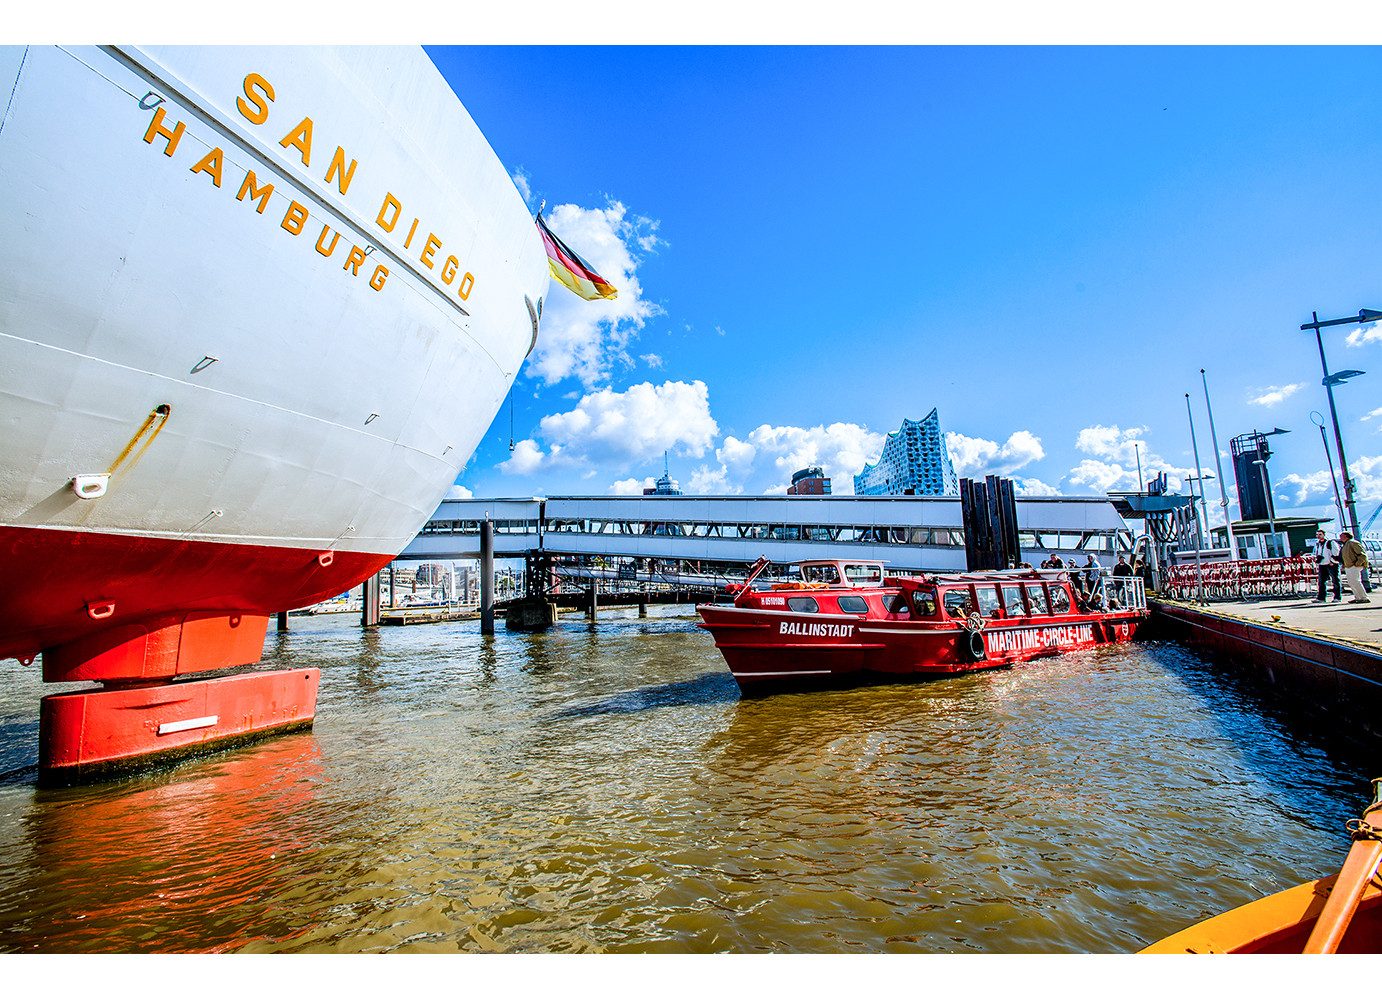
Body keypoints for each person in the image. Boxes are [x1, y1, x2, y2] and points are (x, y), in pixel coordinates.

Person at [1340, 531, 1372, 604]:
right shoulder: (1345, 544)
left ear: (1347, 536)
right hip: (1348, 566)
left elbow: (1362, 555)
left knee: (1356, 581)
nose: (1340, 538)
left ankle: (1364, 597)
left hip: (1354, 566)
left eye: (1342, 536)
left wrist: (1357, 564)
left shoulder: (1353, 543)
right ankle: (1358, 597)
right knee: (1351, 582)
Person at [1310, 528, 1341, 603]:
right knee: (1321, 582)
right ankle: (1321, 598)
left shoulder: (1330, 542)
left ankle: (1337, 597)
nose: (1318, 536)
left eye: (1320, 534)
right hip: (1322, 564)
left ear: (1324, 535)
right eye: (1317, 535)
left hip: (1331, 564)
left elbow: (1336, 552)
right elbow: (1316, 553)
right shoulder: (1317, 544)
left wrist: (1332, 561)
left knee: (1335, 581)